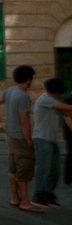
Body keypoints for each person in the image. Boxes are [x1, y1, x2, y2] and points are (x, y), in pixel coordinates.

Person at [0, 65, 40, 212]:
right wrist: (28, 139)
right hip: (20, 137)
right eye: (31, 79)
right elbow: (24, 121)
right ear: (28, 79)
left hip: (10, 135)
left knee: (13, 167)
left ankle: (15, 197)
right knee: (24, 167)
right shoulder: (23, 96)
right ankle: (25, 201)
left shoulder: (10, 91)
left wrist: (0, 122)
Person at [30, 78, 72, 207]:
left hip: (50, 139)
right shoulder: (45, 99)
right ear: (56, 92)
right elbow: (67, 107)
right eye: (60, 93)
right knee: (44, 168)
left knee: (54, 169)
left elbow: (66, 111)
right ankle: (38, 195)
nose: (60, 96)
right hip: (42, 138)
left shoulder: (51, 100)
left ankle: (47, 194)